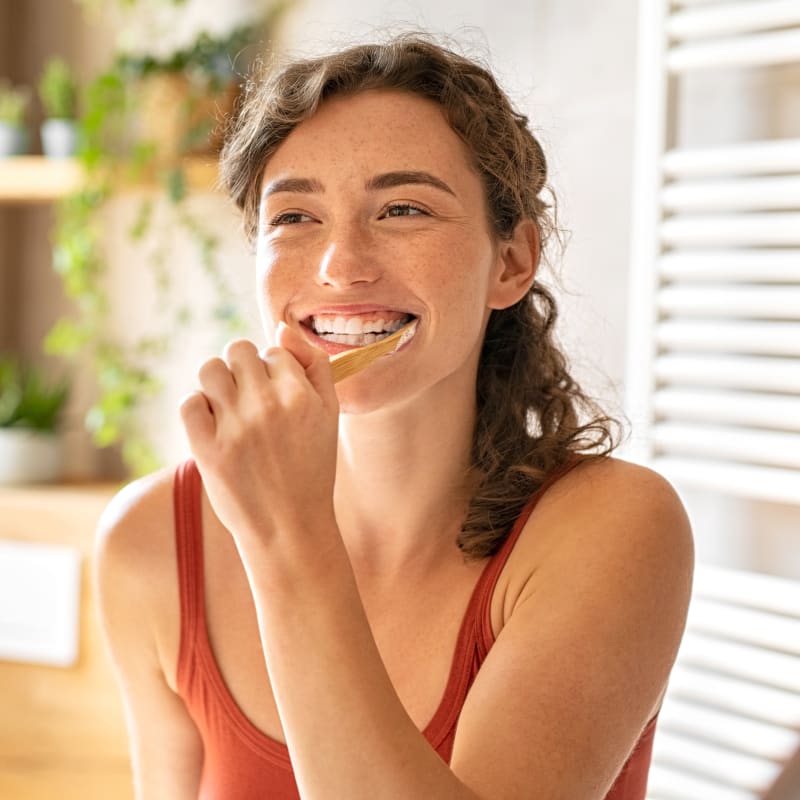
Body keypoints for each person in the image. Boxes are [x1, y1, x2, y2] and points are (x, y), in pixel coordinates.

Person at [95, 32, 694, 800]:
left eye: (403, 208)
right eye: (294, 218)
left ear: (510, 263)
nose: (340, 264)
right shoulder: (150, 541)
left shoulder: (613, 529)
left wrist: (286, 535)